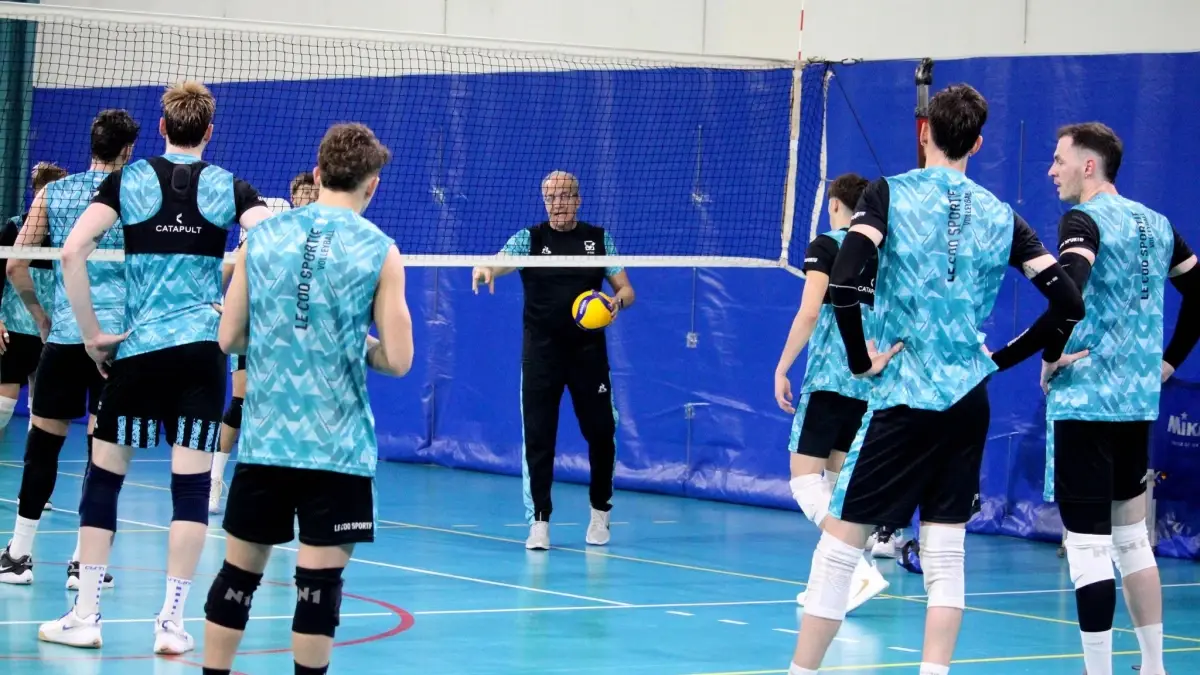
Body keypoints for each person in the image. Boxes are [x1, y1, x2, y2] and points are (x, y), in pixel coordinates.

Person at [785, 83, 1086, 675]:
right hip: (968, 400)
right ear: (976, 142)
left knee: (840, 547)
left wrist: (857, 359)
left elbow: (844, 283)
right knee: (947, 553)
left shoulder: (888, 194)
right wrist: (1000, 359)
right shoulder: (1005, 217)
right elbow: (1069, 303)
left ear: (925, 133)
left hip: (902, 398)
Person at [39, 81, 273, 654]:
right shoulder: (228, 186)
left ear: (163, 127)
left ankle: (87, 616)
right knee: (191, 492)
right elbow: (269, 241)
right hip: (201, 354)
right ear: (209, 133)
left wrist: (92, 334)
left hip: (139, 350)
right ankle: (171, 625)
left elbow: (71, 252)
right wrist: (232, 307)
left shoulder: (130, 179)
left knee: (105, 479)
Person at [201, 122, 412, 675]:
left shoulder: (261, 238)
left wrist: (280, 332)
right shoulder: (381, 252)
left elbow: (229, 338)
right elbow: (398, 359)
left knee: (236, 580)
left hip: (267, 441)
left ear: (317, 175)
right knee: (318, 591)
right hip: (335, 450)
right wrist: (351, 343)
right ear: (373, 185)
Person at [1035, 122, 1196, 675]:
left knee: (1086, 548)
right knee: (1132, 542)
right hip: (1135, 407)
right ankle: (1154, 666)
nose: (1051, 170)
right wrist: (1169, 361)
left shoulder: (1082, 220)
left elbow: (1069, 287)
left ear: (1089, 165)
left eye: (1059, 160)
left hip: (1085, 405)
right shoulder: (1157, 224)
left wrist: (1051, 351)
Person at [0, 111, 141, 589]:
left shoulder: (52, 193)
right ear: (128, 151)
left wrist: (42, 317)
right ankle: (85, 564)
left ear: (92, 144)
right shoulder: (136, 197)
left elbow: (17, 265)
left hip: (62, 339)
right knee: (103, 455)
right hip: (116, 346)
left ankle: (18, 554)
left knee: (42, 448)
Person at [471, 170, 635, 551]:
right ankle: (539, 522)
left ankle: (600, 512)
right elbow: (499, 261)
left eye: (565, 196)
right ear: (544, 201)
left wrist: (616, 302)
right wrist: (484, 269)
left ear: (578, 200)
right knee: (539, 438)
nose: (558, 204)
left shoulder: (599, 239)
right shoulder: (530, 239)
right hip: (541, 355)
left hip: (589, 355)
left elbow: (627, 288)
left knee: (601, 433)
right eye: (551, 197)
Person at [774, 172, 888, 612]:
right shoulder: (881, 253)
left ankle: (858, 572)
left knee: (805, 482)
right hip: (867, 382)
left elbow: (808, 312)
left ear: (836, 206)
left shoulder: (827, 244)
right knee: (841, 488)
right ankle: (833, 584)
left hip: (827, 381)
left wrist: (783, 366)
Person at [209, 170, 320, 514]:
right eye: (304, 193)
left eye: (314, 194)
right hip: (250, 326)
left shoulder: (317, 237)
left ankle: (288, 486)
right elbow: (232, 265)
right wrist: (215, 298)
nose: (309, 199)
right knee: (241, 404)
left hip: (286, 328)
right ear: (294, 196)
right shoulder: (268, 224)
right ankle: (214, 479)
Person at [0, 161, 67, 441]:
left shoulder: (68, 235)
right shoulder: (15, 228)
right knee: (5, 402)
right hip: (14, 329)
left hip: (53, 332)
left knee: (43, 409)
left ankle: (31, 468)